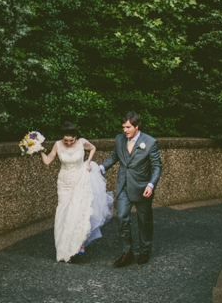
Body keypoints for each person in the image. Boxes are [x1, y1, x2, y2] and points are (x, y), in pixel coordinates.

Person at [40, 122, 113, 262]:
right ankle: (63, 248)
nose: (68, 143)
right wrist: (39, 150)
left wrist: (88, 162)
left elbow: (93, 148)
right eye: (65, 140)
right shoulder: (57, 145)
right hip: (64, 182)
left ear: (75, 137)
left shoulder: (82, 142)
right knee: (63, 212)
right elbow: (48, 161)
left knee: (77, 212)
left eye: (71, 140)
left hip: (80, 180)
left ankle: (77, 244)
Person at [100, 111, 162, 267]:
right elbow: (114, 156)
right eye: (123, 127)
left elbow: (156, 167)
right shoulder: (119, 139)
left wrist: (151, 184)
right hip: (123, 187)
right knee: (121, 217)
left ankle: (145, 250)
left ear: (136, 126)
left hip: (142, 188)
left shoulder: (150, 142)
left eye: (128, 127)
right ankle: (127, 252)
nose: (125, 130)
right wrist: (99, 168)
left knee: (144, 221)